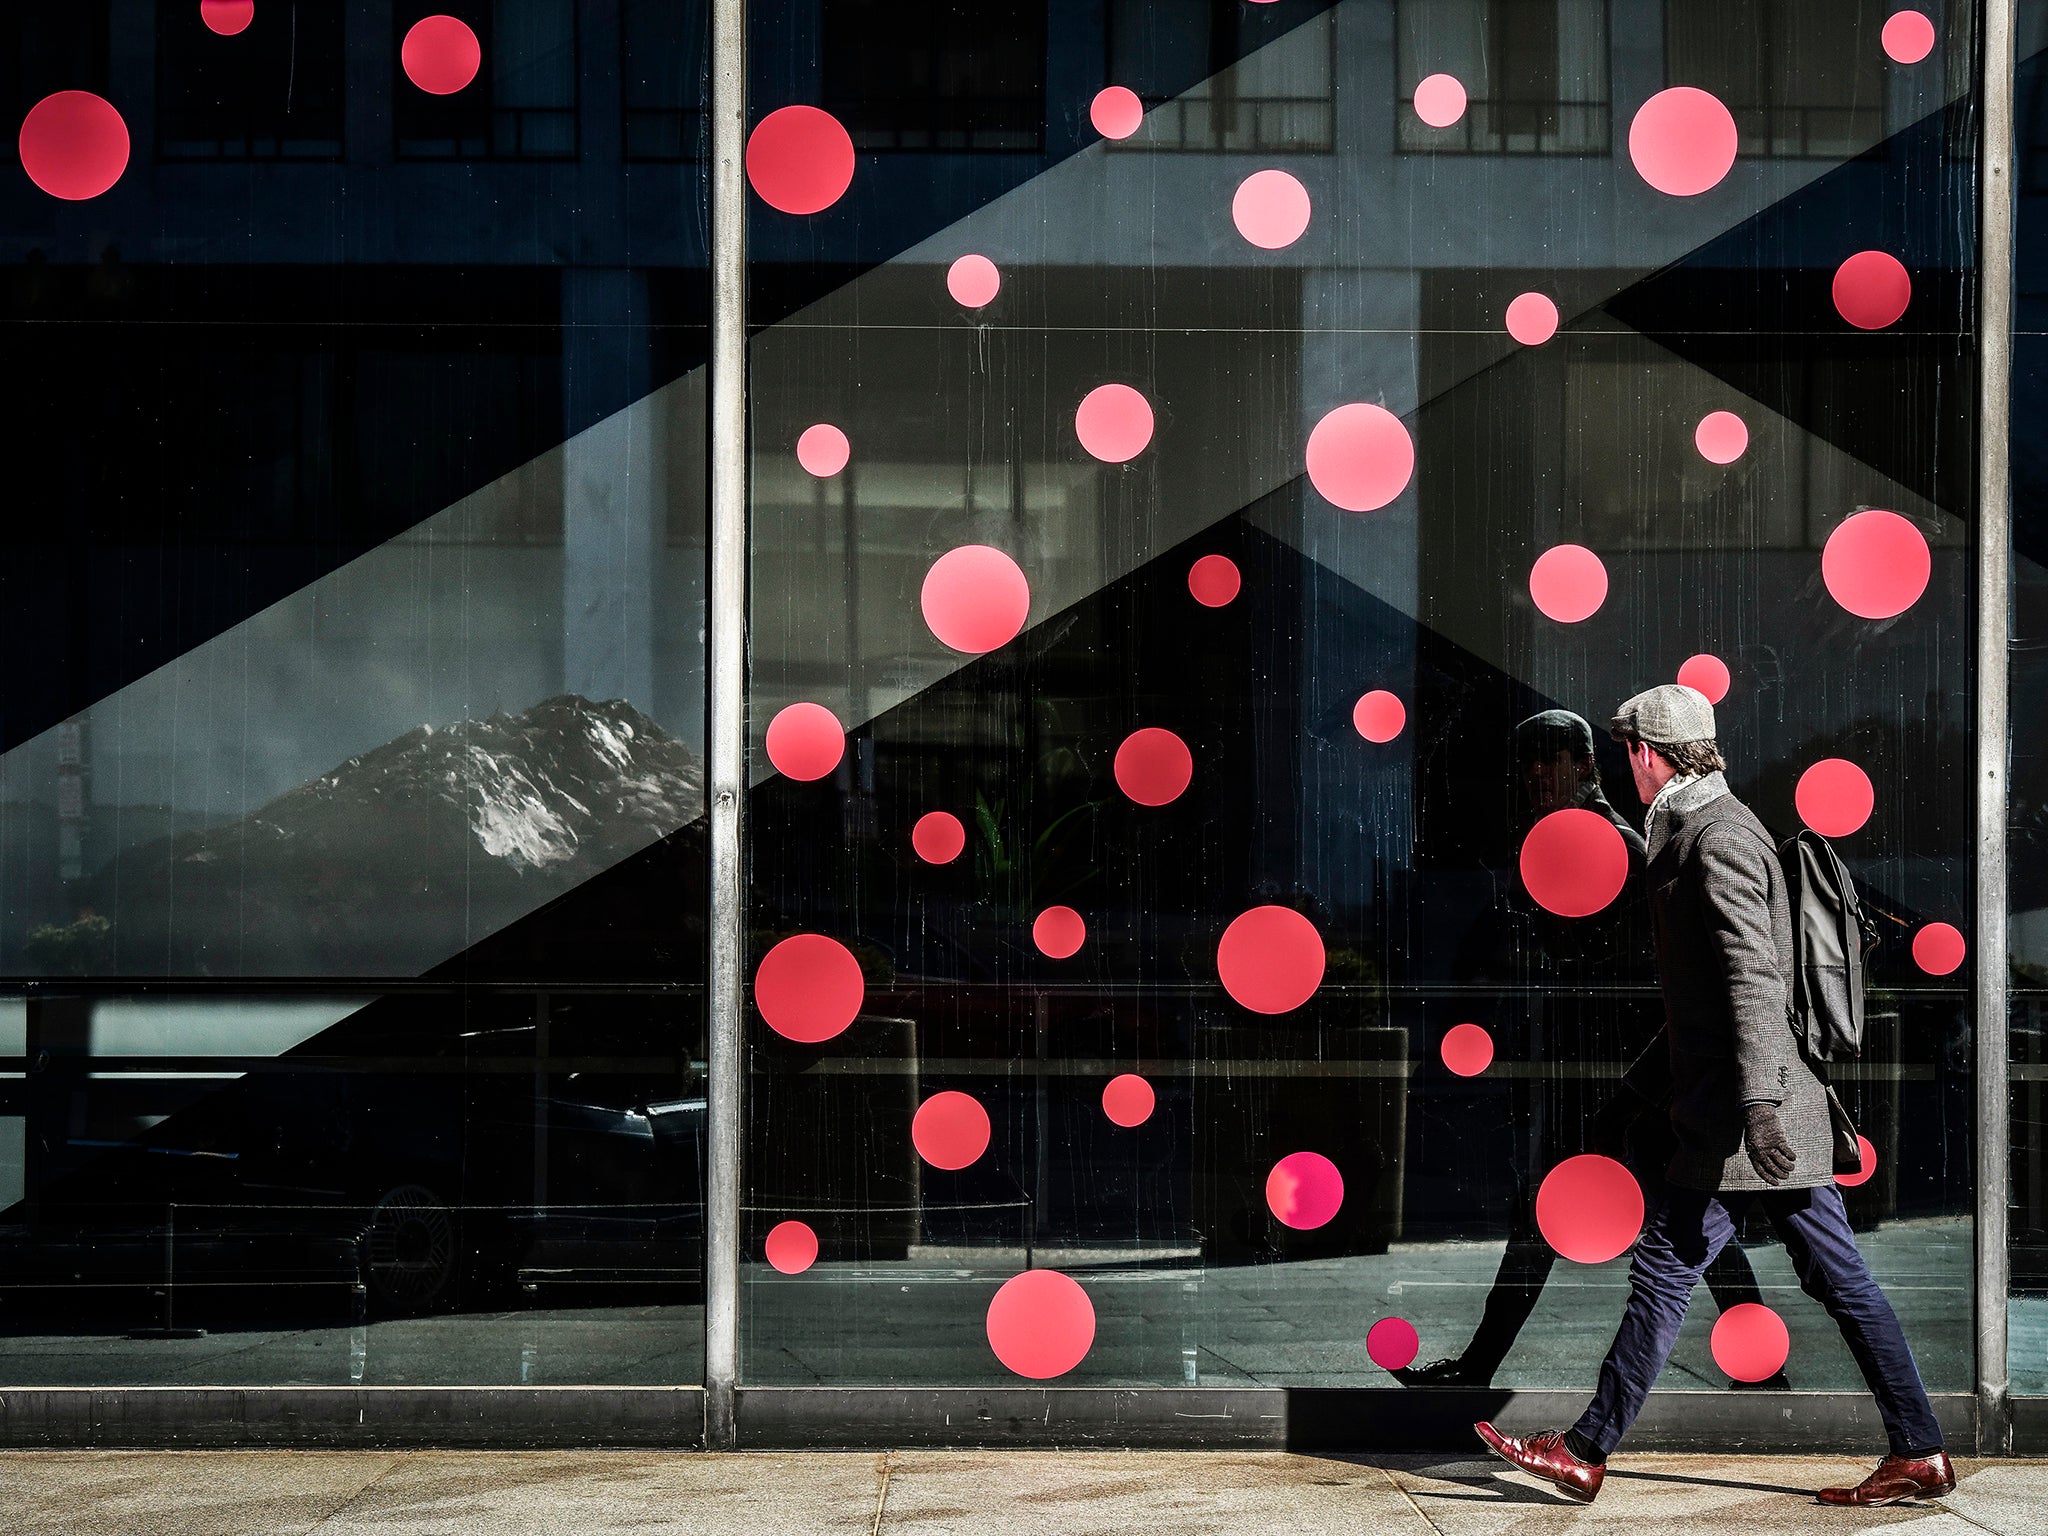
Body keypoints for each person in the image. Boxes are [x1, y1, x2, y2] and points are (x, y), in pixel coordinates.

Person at [1474, 685, 1953, 1508]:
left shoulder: (1718, 835)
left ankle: (1587, 1452)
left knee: (1670, 1271)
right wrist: (1639, 1091)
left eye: (1628, 750)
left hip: (1746, 1117)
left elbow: (1751, 983)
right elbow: (1701, 1001)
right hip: (1742, 1107)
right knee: (1833, 1280)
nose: (1627, 764)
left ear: (1645, 754)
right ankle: (1919, 1451)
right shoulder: (1697, 831)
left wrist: (1761, 1104)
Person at [1400, 710, 1774, 1388]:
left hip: (1623, 1077)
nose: (1538, 773)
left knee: (1665, 1215)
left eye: (1552, 757)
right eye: (1529, 761)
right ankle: (1758, 1368)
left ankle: (1480, 1367)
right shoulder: (1560, 843)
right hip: (1591, 1073)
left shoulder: (1616, 846)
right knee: (1641, 1215)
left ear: (1585, 764)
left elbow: (1648, 973)